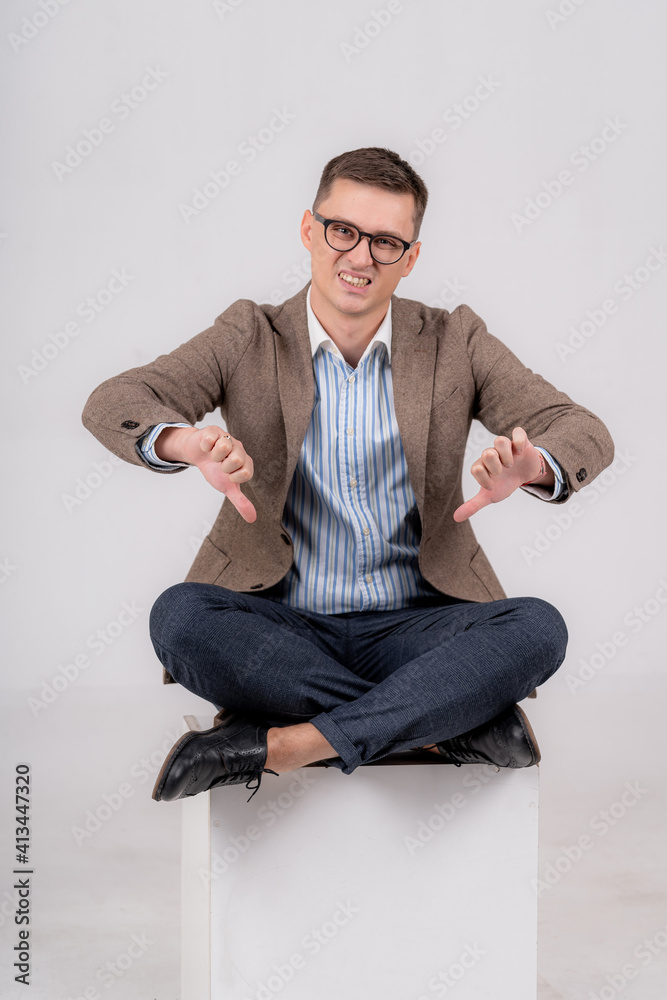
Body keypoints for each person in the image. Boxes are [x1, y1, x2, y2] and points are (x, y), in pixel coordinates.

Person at [82, 146, 614, 804]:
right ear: (310, 230)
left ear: (410, 256)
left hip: (416, 633)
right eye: (343, 232)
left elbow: (581, 427)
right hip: (279, 631)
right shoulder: (249, 333)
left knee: (537, 628)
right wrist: (185, 441)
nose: (359, 257)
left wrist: (534, 464)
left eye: (386, 242)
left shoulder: (454, 341)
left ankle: (286, 742)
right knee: (180, 618)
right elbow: (113, 401)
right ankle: (438, 719)